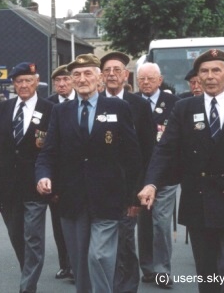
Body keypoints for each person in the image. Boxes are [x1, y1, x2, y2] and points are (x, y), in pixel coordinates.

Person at [138, 49, 224, 293]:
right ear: (197, 76)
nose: (210, 76)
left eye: (216, 70)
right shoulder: (184, 108)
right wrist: (151, 183)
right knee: (206, 271)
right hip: (199, 201)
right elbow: (165, 149)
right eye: (204, 71)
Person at [36, 53, 142, 293]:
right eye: (76, 75)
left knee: (99, 257)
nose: (82, 79)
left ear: (100, 78)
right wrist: (43, 176)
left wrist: (134, 196)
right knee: (80, 263)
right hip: (72, 200)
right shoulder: (60, 112)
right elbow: (48, 152)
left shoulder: (118, 107)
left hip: (108, 199)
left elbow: (132, 155)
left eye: (87, 74)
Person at [0, 62, 53, 293]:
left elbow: (53, 149)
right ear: (13, 84)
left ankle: (27, 287)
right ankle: (27, 275)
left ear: (37, 82)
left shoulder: (50, 109)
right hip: (8, 188)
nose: (23, 85)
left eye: (28, 80)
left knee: (33, 238)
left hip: (35, 186)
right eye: (19, 81)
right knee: (17, 236)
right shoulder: (3, 109)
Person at [100, 51, 155, 293]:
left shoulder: (139, 106)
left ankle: (127, 288)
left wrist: (137, 195)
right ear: (101, 76)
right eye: (107, 70)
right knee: (100, 247)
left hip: (126, 189)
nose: (112, 74)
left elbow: (147, 151)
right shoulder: (92, 101)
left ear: (126, 75)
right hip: (97, 188)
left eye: (117, 70)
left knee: (124, 243)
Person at [135, 62, 179, 287]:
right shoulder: (131, 103)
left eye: (150, 79)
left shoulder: (174, 104)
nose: (145, 83)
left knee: (161, 223)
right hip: (139, 176)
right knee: (144, 224)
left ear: (160, 80)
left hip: (165, 176)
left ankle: (162, 270)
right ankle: (148, 268)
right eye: (141, 79)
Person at [45, 64, 75, 280]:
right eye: (58, 81)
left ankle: (79, 265)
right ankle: (66, 264)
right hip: (58, 176)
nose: (62, 84)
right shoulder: (49, 105)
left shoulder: (84, 100)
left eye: (65, 80)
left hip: (80, 174)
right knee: (59, 223)